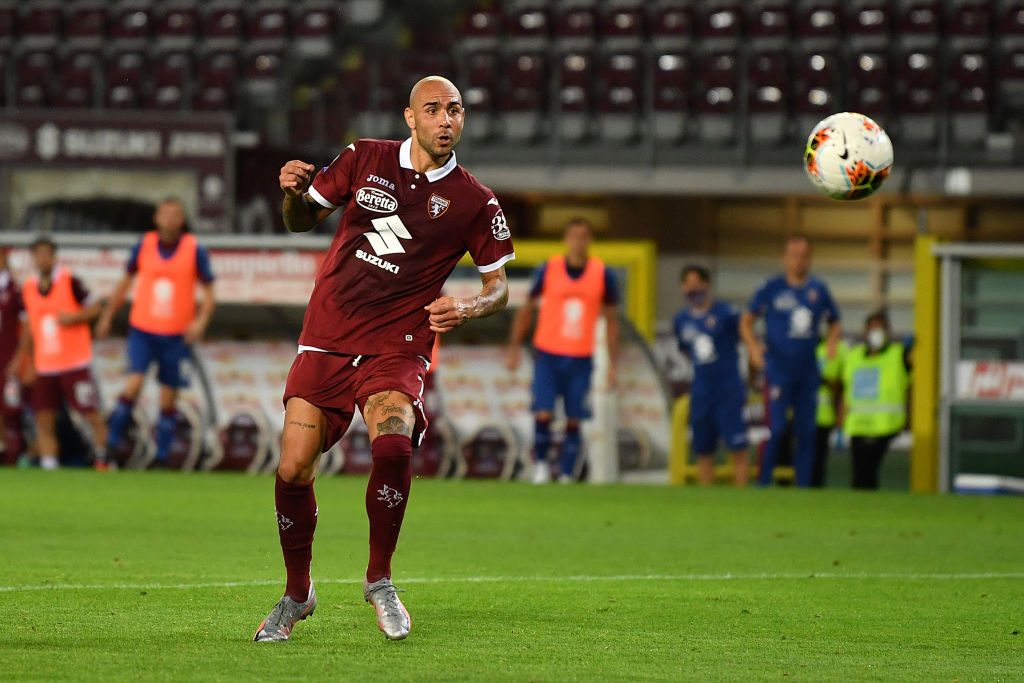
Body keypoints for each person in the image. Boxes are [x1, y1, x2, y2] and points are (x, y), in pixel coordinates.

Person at [253, 76, 515, 643]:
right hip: (328, 332)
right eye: (434, 110)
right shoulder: (364, 158)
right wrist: (293, 194)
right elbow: (300, 221)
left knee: (393, 442)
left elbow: (501, 288)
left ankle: (379, 579)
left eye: (455, 110)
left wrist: (468, 307)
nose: (446, 120)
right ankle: (298, 593)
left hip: (397, 341)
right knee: (293, 467)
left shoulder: (475, 200)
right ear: (409, 117)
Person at [96, 198, 216, 465]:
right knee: (133, 383)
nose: (171, 219)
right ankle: (111, 445)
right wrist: (107, 316)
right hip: (144, 330)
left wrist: (200, 322)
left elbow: (209, 292)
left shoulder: (193, 249)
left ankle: (161, 457)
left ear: (182, 220)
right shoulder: (144, 245)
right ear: (157, 218)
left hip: (176, 334)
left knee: (168, 397)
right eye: (166, 214)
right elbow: (124, 283)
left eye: (176, 214)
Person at [505, 218, 619, 485]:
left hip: (581, 355)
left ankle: (567, 473)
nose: (578, 242)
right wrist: (514, 347)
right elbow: (526, 309)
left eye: (584, 236)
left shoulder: (602, 274)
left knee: (575, 416)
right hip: (548, 353)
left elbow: (612, 320)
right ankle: (542, 466)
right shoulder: (549, 269)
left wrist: (613, 363)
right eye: (574, 236)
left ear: (590, 240)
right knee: (543, 411)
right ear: (566, 240)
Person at [740, 234, 841, 487]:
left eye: (804, 256)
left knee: (807, 432)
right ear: (784, 258)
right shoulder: (771, 288)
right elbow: (746, 320)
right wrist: (753, 347)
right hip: (778, 370)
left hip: (807, 372)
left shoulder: (818, 290)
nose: (799, 261)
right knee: (777, 429)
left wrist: (830, 343)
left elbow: (835, 321)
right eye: (794, 255)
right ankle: (763, 483)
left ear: (810, 259)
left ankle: (803, 486)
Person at [14, 236, 108, 470]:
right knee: (43, 418)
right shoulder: (28, 287)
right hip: (46, 364)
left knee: (91, 414)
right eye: (38, 255)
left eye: (47, 254)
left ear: (54, 257)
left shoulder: (70, 281)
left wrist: (75, 317)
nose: (42, 259)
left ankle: (103, 458)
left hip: (74, 362)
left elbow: (96, 308)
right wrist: (29, 362)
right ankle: (49, 464)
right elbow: (30, 329)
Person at [672, 265, 749, 486]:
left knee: (737, 446)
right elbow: (685, 349)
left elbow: (746, 332)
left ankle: (743, 497)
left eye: (696, 283)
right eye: (687, 284)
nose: (692, 288)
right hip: (702, 389)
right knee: (703, 449)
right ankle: (707, 498)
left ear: (706, 284)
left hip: (728, 387)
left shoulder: (727, 313)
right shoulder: (681, 320)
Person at [841, 310, 911, 490]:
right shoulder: (854, 356)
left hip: (885, 427)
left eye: (880, 328)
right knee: (859, 474)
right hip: (859, 425)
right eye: (871, 328)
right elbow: (846, 389)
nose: (875, 333)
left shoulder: (898, 355)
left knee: (870, 471)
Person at [0, 247, 27, 464]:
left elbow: (28, 325)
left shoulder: (15, 288)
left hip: (7, 359)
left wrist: (19, 357)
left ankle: (13, 455)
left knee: (10, 408)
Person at [812, 338, 847, 487]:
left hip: (823, 418)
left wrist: (823, 380)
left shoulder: (838, 349)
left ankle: (814, 497)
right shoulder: (802, 347)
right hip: (798, 418)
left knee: (818, 463)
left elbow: (842, 388)